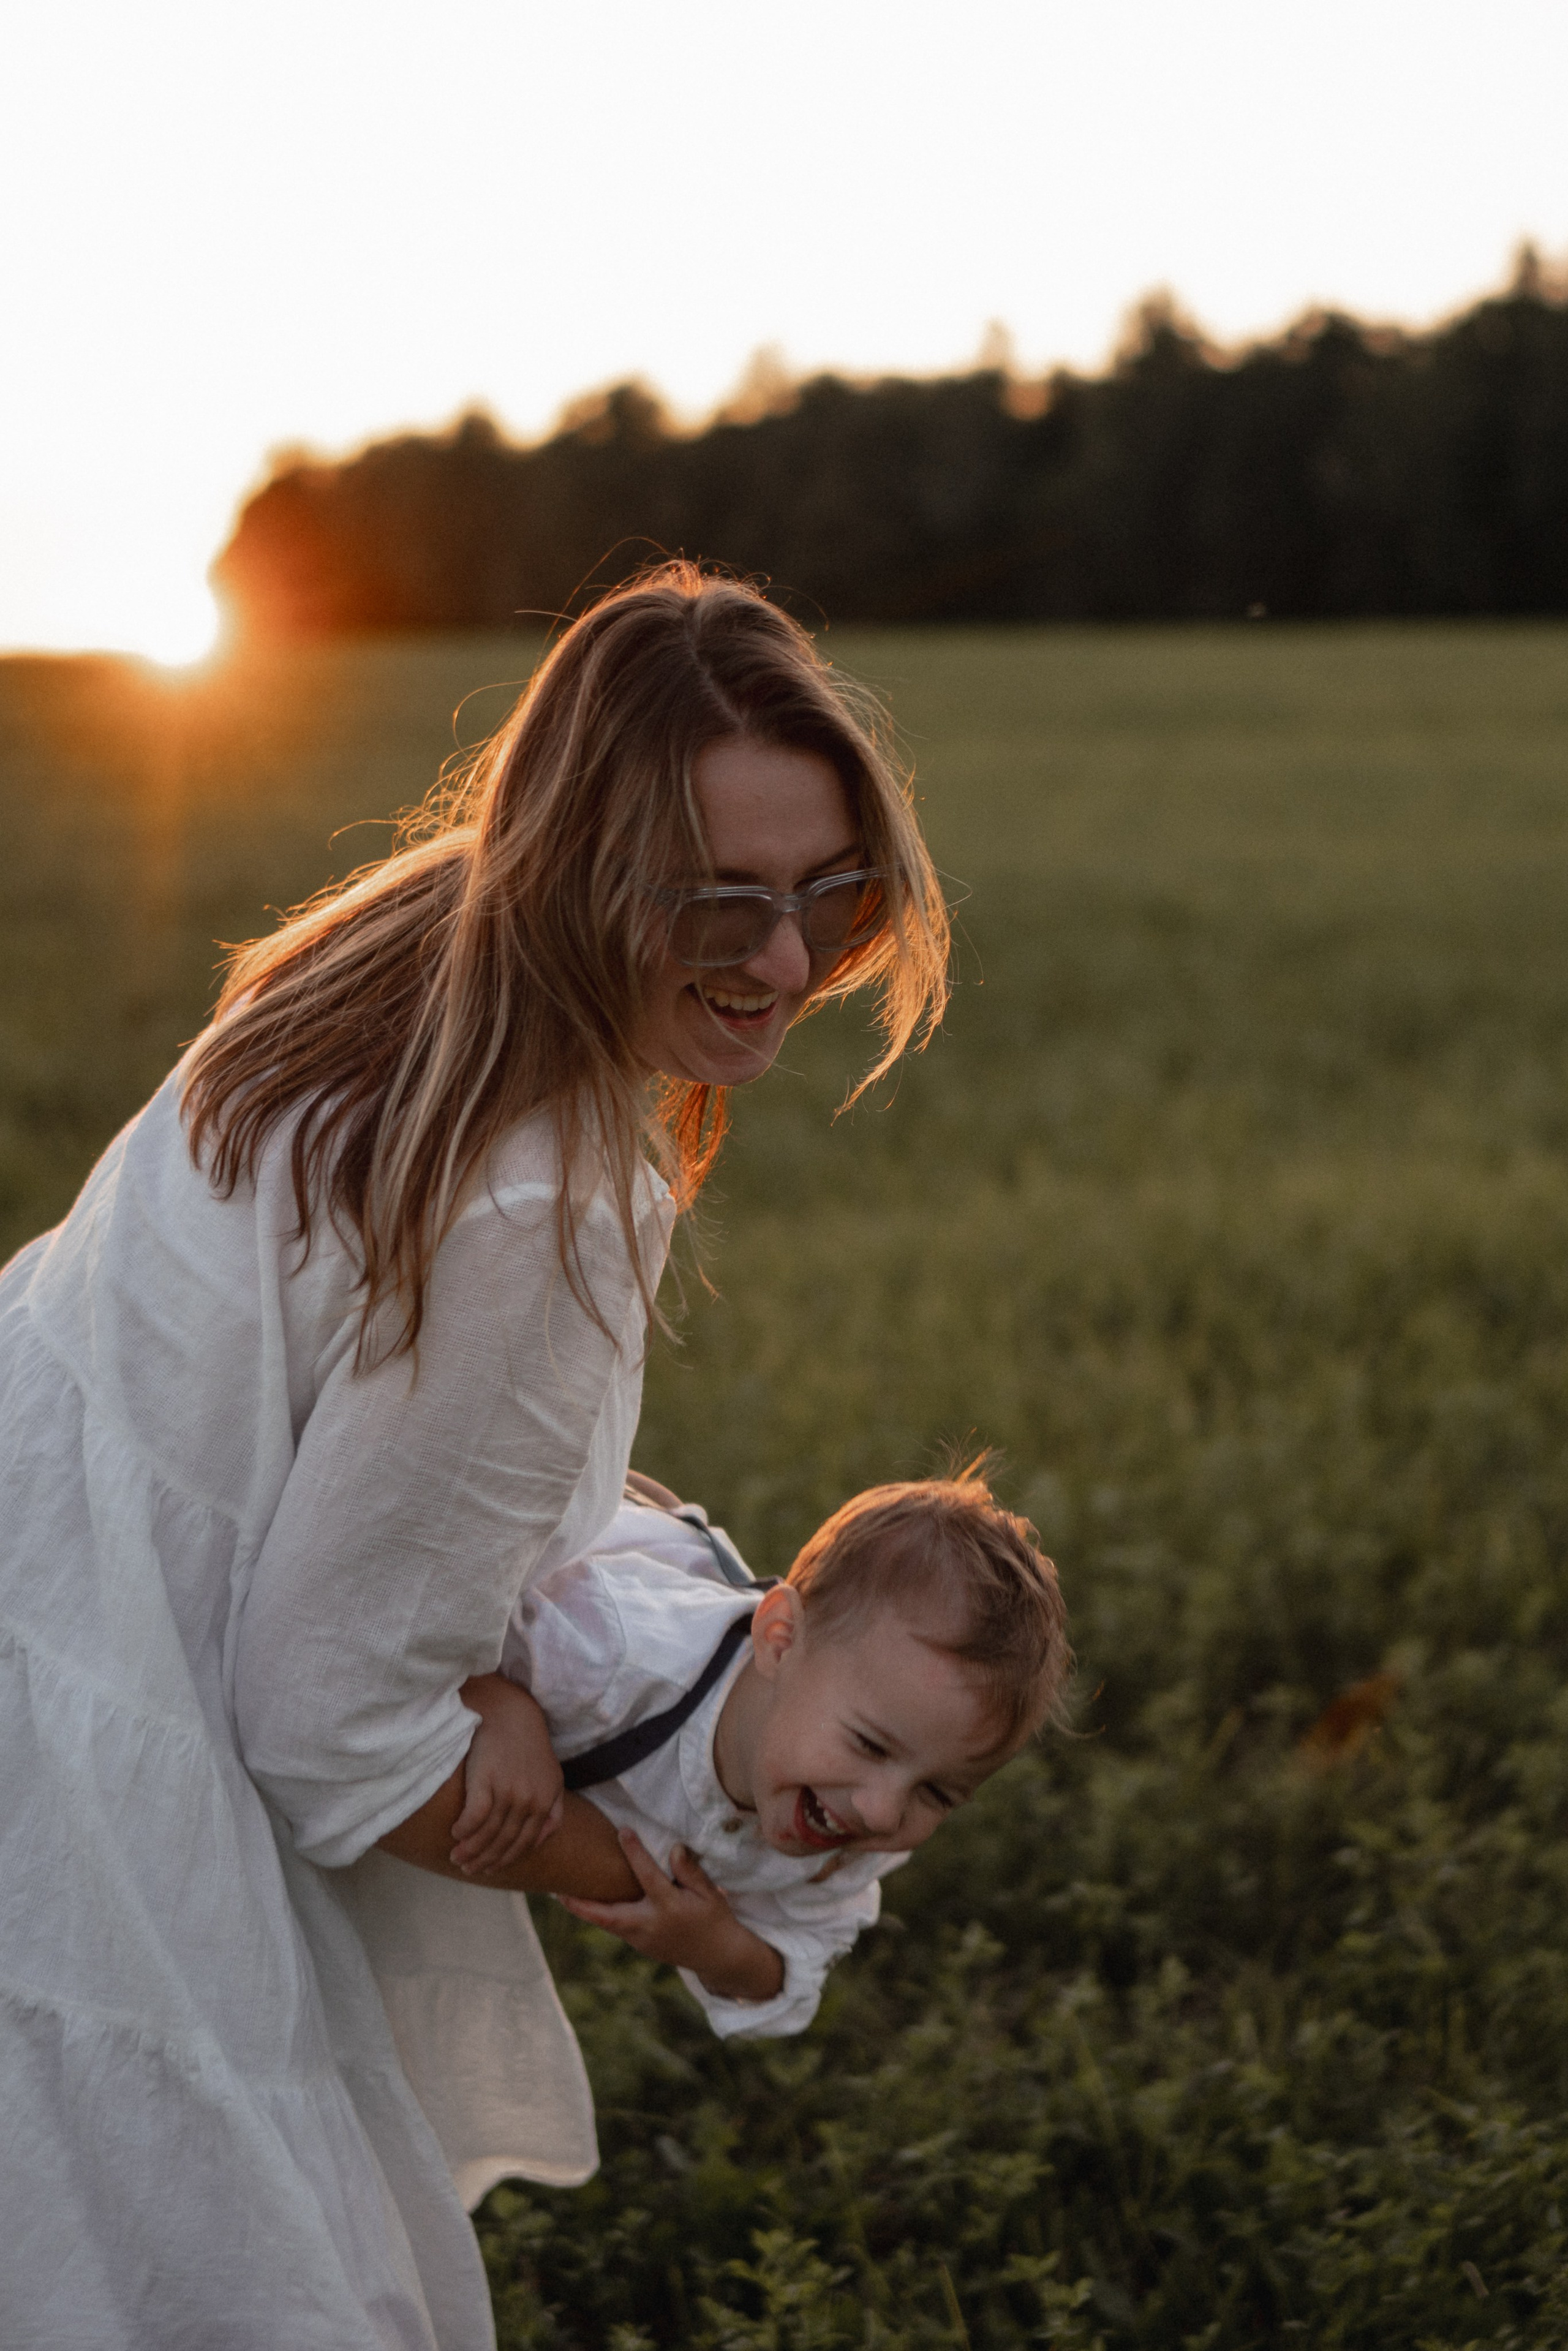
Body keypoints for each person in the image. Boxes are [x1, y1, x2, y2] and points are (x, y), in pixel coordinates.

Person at [0, 566, 949, 2351]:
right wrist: (644, 1868)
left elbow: (373, 1472)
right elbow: (321, 1723)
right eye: (723, 902)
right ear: (591, 877)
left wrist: (499, 1657)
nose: (791, 959)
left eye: (833, 889)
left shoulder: (417, 944)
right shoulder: (547, 1206)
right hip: (82, 1739)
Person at [453, 1470, 1071, 2050]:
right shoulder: (610, 1651)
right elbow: (421, 1616)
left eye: (936, 1793)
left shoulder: (843, 1857)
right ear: (780, 1640)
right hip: (585, 1541)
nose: (882, 1813)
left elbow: (800, 1963)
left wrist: (718, 1948)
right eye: (869, 1745)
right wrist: (500, 1702)